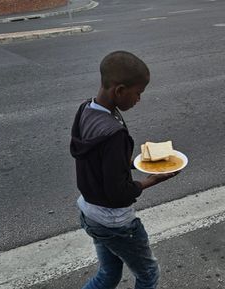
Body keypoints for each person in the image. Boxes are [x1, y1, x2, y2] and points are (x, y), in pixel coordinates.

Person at [70, 50, 179, 289]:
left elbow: (99, 159)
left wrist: (137, 162)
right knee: (148, 274)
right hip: (115, 222)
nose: (138, 99)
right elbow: (119, 192)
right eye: (137, 93)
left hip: (90, 211)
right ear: (119, 90)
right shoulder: (114, 133)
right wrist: (152, 180)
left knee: (109, 273)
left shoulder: (87, 109)